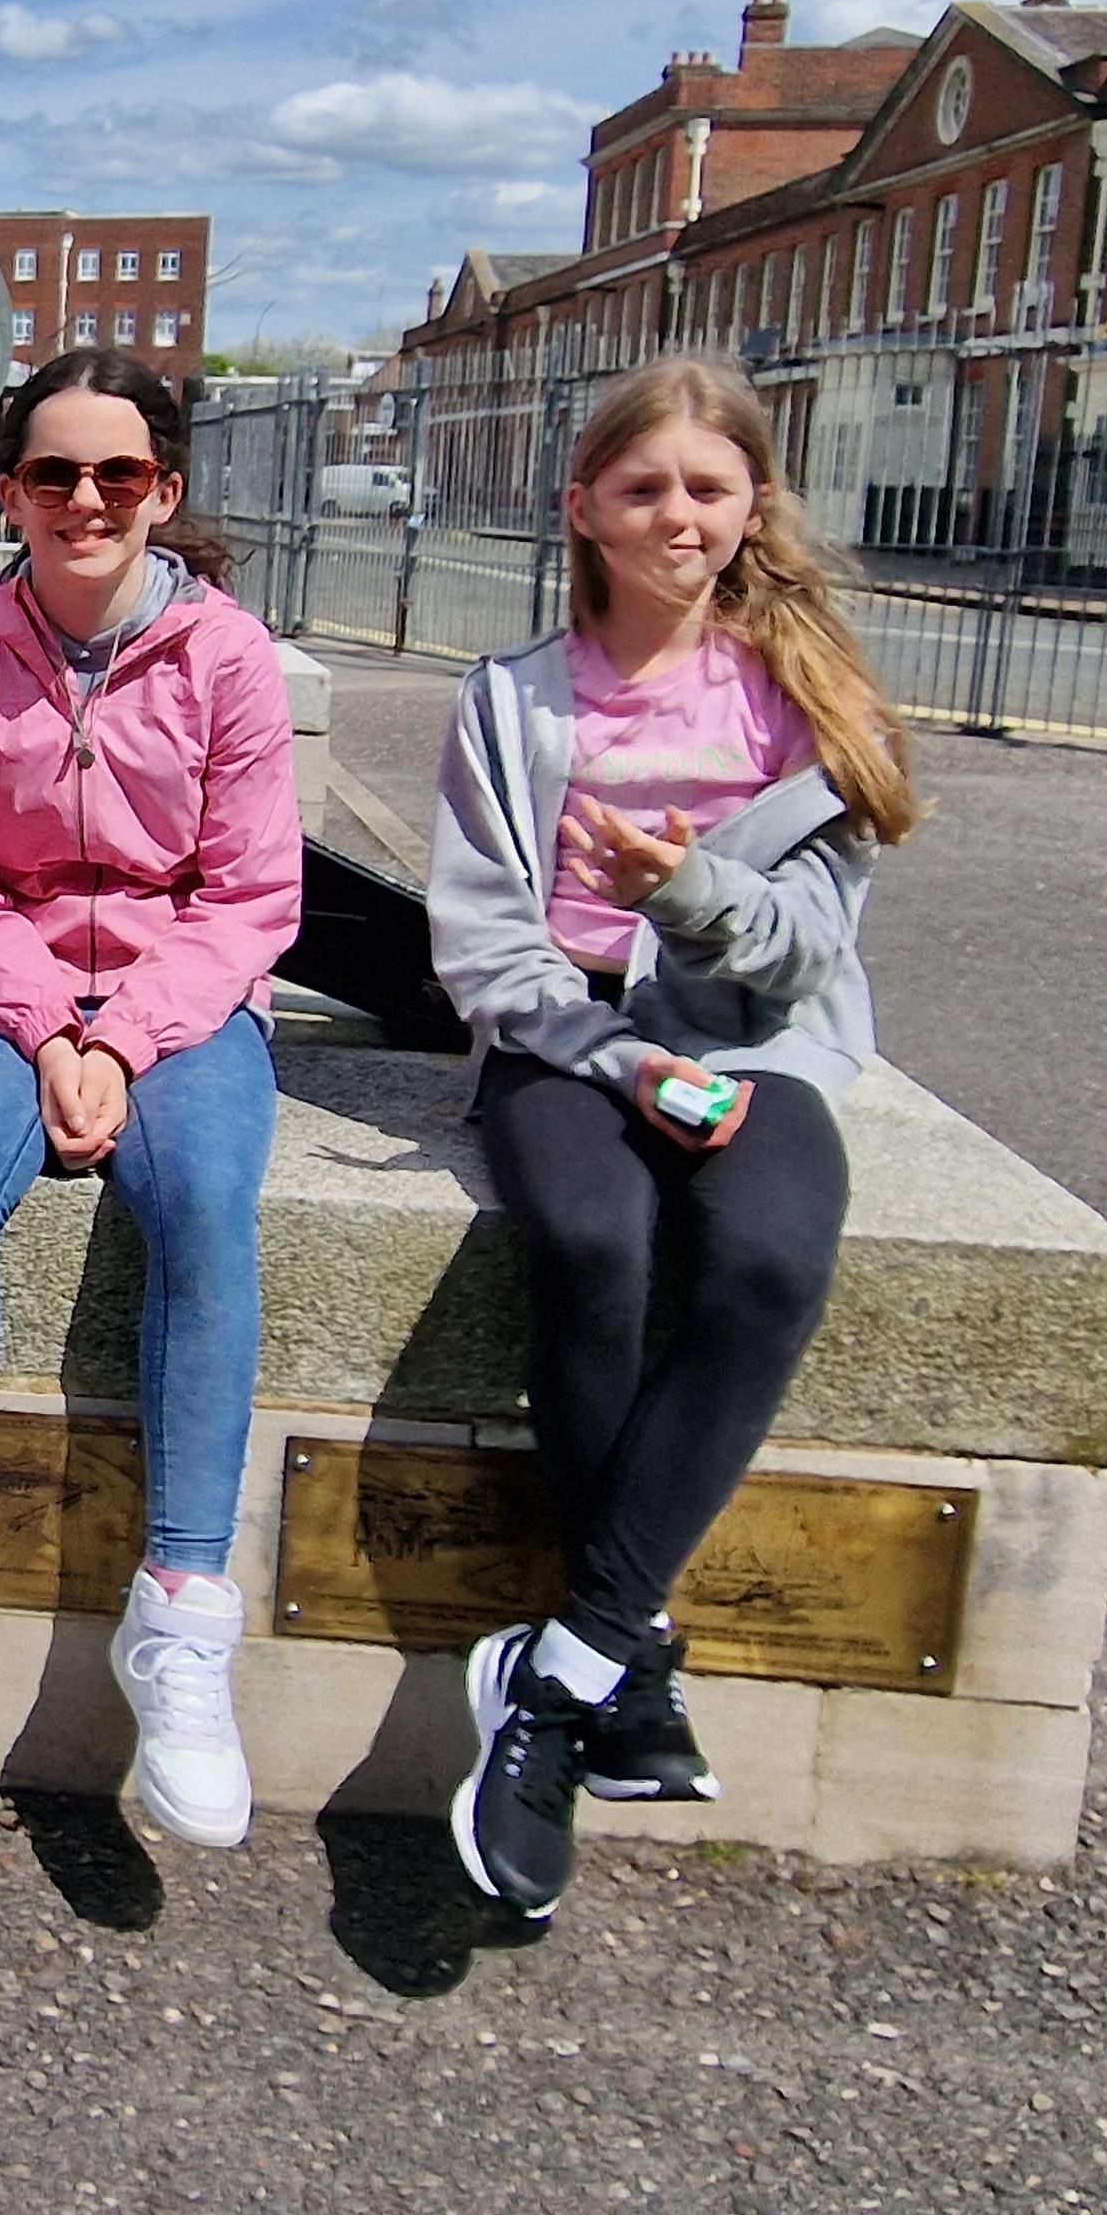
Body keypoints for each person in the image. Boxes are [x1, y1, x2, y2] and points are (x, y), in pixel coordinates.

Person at [426, 352, 923, 1925]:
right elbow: (485, 945)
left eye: (708, 489)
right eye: (644, 489)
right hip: (569, 1041)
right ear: (584, 508)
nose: (677, 517)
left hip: (758, 1045)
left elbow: (807, 949)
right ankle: (628, 1668)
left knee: (765, 1260)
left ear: (754, 506)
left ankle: (567, 1667)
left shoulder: (809, 702)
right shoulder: (516, 698)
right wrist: (625, 1066)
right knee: (595, 1245)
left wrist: (685, 891)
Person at [0, 351, 304, 1846]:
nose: (85, 499)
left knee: (206, 1204)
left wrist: (134, 1034)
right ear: (10, 494)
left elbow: (251, 894)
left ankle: (183, 1613)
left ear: (165, 491)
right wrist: (47, 1030)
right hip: (10, 985)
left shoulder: (227, 655)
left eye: (118, 474)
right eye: (54, 473)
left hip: (184, 991)